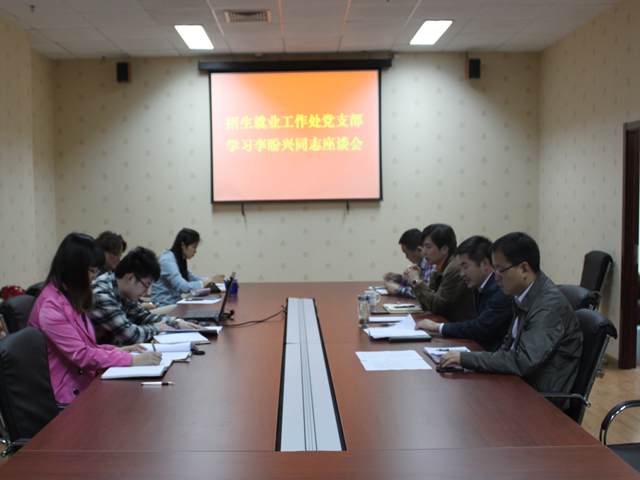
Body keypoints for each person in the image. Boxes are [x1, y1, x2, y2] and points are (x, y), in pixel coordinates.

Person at [440, 232, 583, 408]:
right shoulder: (524, 295)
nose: (496, 277)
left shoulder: (548, 306)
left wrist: (467, 359)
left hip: (539, 400)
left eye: (500, 270)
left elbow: (523, 361)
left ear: (524, 269)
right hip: (517, 383)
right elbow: (508, 347)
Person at [28, 233, 161, 404]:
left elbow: (86, 345)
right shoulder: (51, 306)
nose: (94, 278)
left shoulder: (70, 295)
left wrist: (117, 350)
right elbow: (81, 355)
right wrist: (131, 359)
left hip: (85, 380)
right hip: (66, 393)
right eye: (92, 271)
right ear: (75, 269)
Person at [414, 235, 512, 352]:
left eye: (465, 267)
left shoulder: (501, 290)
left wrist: (439, 327)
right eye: (461, 268)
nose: (462, 274)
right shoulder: (479, 285)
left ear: (485, 264)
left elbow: (480, 328)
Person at [89, 246, 203, 346]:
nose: (146, 291)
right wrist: (157, 328)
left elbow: (143, 317)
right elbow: (131, 335)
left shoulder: (122, 289)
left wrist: (177, 322)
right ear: (130, 278)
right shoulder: (102, 294)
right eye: (146, 285)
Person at [406, 224, 473, 323]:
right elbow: (427, 301)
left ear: (444, 249)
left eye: (428, 247)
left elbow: (437, 306)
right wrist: (414, 281)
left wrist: (416, 281)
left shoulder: (454, 268)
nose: (424, 252)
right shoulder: (438, 266)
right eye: (423, 246)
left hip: (457, 326)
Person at [151, 228, 224, 307]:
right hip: (164, 306)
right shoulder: (167, 260)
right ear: (183, 245)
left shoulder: (179, 259)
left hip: (174, 304)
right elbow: (183, 287)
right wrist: (209, 281)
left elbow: (193, 279)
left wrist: (213, 280)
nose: (195, 251)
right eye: (194, 247)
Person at [383, 228, 435, 298]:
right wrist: (398, 278)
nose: (406, 257)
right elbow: (415, 285)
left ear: (419, 250)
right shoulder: (421, 265)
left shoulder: (431, 264)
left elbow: (423, 293)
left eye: (407, 253)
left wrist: (397, 289)